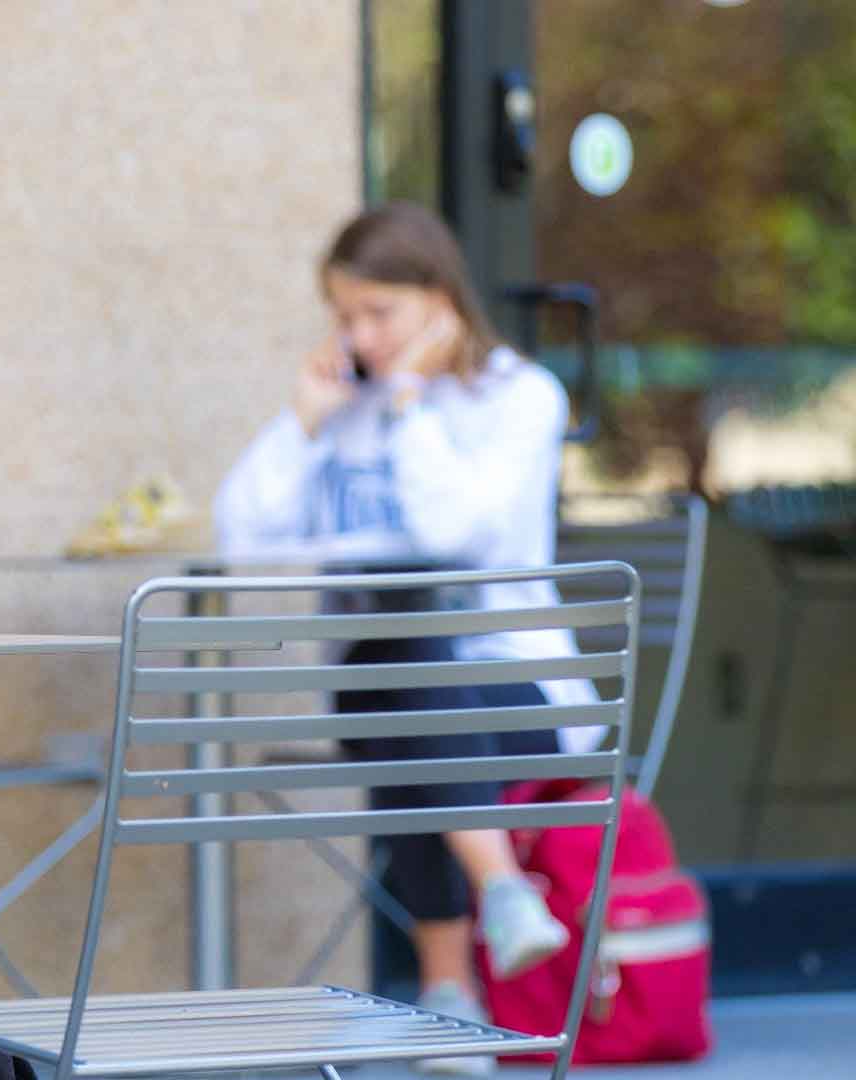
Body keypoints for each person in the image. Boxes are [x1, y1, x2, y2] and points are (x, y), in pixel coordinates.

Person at [216, 202, 591, 1077]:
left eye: (379, 314)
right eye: (344, 316)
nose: (361, 335)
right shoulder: (346, 405)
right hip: (393, 690)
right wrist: (303, 417)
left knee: (405, 675)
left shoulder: (519, 398)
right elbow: (240, 534)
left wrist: (414, 404)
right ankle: (500, 894)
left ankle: (450, 990)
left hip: (520, 691)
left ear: (440, 301)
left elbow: (456, 531)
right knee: (394, 665)